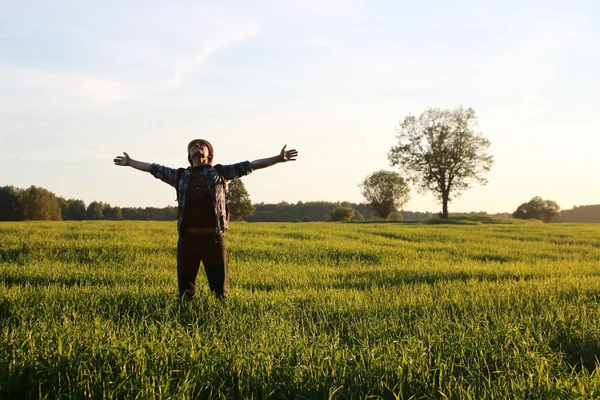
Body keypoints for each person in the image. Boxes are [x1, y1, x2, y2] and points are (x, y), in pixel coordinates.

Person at [113, 140, 298, 299]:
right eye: (193, 145)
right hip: (187, 241)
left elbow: (251, 165)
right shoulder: (180, 175)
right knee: (185, 292)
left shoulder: (220, 172)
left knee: (219, 292)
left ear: (209, 155)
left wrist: (277, 158)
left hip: (213, 240)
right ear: (189, 155)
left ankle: (220, 324)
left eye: (202, 145)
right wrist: (129, 162)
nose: (197, 146)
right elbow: (153, 168)